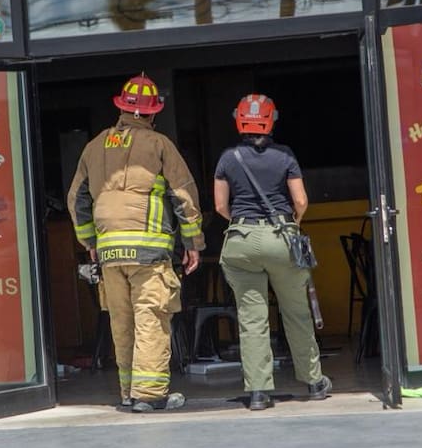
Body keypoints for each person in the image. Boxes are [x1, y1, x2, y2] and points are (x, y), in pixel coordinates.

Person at [68, 74, 205, 412]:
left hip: (110, 253)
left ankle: (128, 392)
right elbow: (184, 196)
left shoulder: (94, 145)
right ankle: (151, 394)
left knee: (121, 321)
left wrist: (89, 240)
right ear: (153, 113)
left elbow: (76, 199)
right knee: (151, 318)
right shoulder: (159, 145)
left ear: (122, 109)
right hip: (149, 252)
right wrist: (193, 242)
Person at [214, 93, 332, 411]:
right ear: (271, 119)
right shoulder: (284, 155)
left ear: (238, 119)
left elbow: (220, 206)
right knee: (296, 313)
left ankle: (258, 392)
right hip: (281, 237)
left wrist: (244, 224)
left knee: (252, 320)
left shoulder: (227, 158)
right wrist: (290, 224)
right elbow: (302, 201)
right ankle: (313, 382)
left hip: (240, 239)